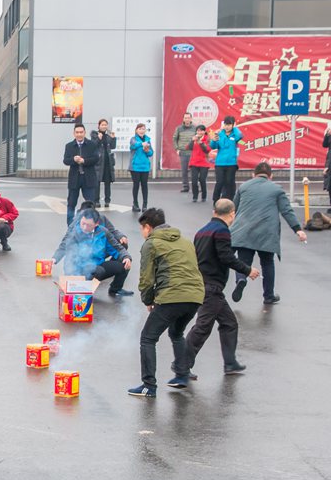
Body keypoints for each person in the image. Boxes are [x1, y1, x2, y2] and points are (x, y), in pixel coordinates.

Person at [128, 208, 204, 397]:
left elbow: (146, 278)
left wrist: (148, 300)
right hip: (195, 296)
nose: (142, 233)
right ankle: (182, 374)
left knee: (148, 338)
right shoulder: (185, 241)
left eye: (142, 229)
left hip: (172, 296)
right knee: (177, 332)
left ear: (148, 227)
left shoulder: (151, 244)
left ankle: (148, 385)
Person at [181, 199, 260, 380]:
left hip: (203, 283)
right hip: (212, 286)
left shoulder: (202, 231)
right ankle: (181, 364)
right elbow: (226, 256)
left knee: (229, 323)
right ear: (232, 213)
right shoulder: (222, 231)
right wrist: (247, 270)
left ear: (214, 211)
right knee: (202, 327)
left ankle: (230, 363)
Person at [230, 162, 306, 305]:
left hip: (244, 230)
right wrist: (298, 229)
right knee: (267, 263)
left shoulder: (244, 187)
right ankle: (268, 295)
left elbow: (234, 207)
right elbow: (286, 211)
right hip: (266, 233)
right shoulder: (276, 189)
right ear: (271, 176)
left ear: (253, 174)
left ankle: (241, 279)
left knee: (243, 261)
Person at [53, 208, 133, 297]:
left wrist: (126, 257)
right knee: (98, 270)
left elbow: (117, 248)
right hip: (78, 270)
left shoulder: (103, 232)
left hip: (98, 265)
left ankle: (115, 289)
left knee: (125, 265)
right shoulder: (74, 232)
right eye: (83, 223)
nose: (84, 227)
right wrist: (54, 259)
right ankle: (83, 291)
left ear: (96, 224)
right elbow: (64, 246)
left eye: (88, 225)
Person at [63, 122, 101, 225]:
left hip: (88, 178)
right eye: (77, 132)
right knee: (71, 203)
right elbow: (65, 160)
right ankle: (70, 227)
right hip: (74, 178)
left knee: (90, 203)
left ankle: (91, 225)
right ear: (74, 133)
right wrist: (73, 159)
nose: (79, 134)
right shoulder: (69, 146)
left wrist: (84, 161)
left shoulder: (91, 145)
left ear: (84, 133)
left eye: (81, 132)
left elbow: (96, 159)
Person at [210, 115, 243, 202]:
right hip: (220, 163)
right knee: (219, 182)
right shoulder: (219, 134)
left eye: (229, 124)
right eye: (226, 124)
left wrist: (235, 127)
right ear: (223, 124)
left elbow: (239, 136)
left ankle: (228, 201)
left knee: (229, 182)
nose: (227, 126)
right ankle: (215, 200)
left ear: (233, 125)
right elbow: (213, 146)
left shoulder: (234, 134)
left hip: (231, 163)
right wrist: (213, 140)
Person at [91, 119, 116, 208]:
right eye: (102, 125)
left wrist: (113, 138)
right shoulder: (94, 134)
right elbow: (93, 145)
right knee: (97, 183)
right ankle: (96, 201)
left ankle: (107, 200)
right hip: (98, 162)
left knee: (107, 183)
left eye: (105, 125)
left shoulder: (108, 136)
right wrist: (99, 138)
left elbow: (113, 146)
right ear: (98, 126)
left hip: (107, 162)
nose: (104, 126)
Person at [129, 123, 154, 212]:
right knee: (136, 185)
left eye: (143, 129)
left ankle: (145, 205)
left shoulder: (148, 140)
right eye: (140, 129)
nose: (142, 130)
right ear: (136, 130)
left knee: (144, 185)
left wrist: (147, 151)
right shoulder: (133, 139)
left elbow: (151, 153)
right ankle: (135, 204)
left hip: (145, 166)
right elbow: (134, 145)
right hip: (135, 166)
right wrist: (142, 144)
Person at [187, 125, 212, 203]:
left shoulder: (207, 139)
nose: (199, 132)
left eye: (201, 131)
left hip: (204, 163)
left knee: (202, 179)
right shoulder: (194, 139)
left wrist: (200, 143)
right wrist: (192, 140)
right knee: (194, 180)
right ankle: (195, 196)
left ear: (204, 131)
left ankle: (204, 196)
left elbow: (207, 150)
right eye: (198, 131)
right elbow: (188, 147)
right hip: (194, 162)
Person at [173, 112, 197, 194]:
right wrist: (177, 149)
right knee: (184, 171)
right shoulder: (179, 128)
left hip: (193, 152)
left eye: (188, 118)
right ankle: (185, 187)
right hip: (183, 152)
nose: (187, 119)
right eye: (185, 118)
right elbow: (174, 139)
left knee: (195, 171)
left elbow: (198, 139)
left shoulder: (195, 128)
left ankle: (196, 186)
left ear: (191, 119)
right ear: (183, 119)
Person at [323, 124, 331, 212]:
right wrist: (327, 135)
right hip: (329, 161)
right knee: (329, 186)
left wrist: (327, 167)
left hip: (329, 164)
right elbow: (324, 145)